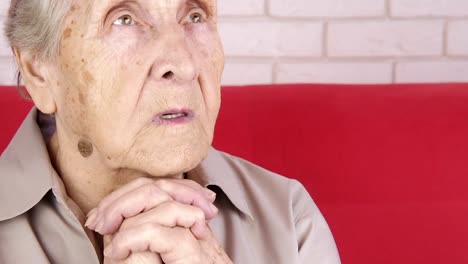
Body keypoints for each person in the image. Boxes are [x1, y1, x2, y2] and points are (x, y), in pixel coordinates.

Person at [0, 0, 341, 263]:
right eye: (123, 18)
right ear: (38, 72)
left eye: (194, 15)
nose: (184, 64)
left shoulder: (289, 217)